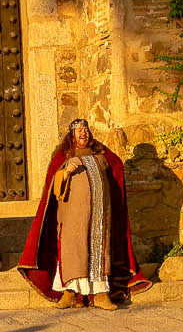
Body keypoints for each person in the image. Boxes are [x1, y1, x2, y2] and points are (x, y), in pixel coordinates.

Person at [17, 118, 151, 308]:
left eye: (86, 130)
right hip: (72, 213)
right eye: (79, 130)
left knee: (99, 249)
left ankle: (101, 294)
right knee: (73, 249)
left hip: (100, 212)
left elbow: (117, 167)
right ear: (72, 135)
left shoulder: (101, 151)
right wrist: (64, 173)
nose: (83, 133)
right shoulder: (63, 155)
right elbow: (53, 185)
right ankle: (70, 293)